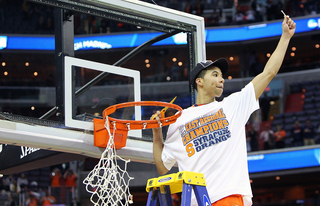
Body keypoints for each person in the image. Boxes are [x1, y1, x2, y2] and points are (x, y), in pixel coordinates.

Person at [151, 14, 296, 206]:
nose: (221, 79)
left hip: (228, 197)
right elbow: (162, 168)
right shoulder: (179, 120)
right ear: (199, 82)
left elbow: (268, 73)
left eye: (222, 76)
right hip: (195, 201)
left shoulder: (232, 105)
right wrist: (156, 132)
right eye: (215, 74)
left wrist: (285, 37)